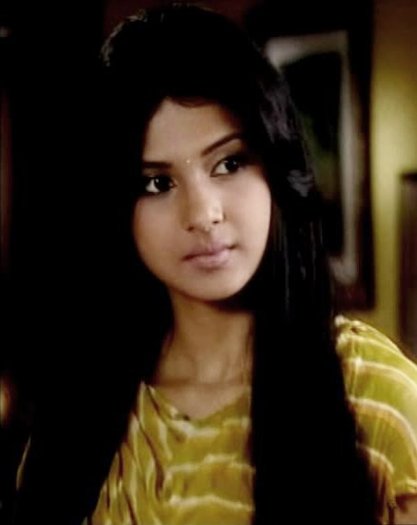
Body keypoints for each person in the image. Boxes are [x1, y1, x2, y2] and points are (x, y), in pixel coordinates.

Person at [13, 4, 417, 525]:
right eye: (157, 183)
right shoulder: (76, 407)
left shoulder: (372, 396)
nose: (203, 214)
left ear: (274, 167)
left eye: (229, 163)